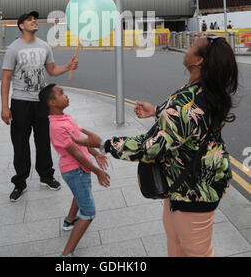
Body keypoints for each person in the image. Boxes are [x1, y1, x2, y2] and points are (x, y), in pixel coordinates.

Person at [72, 35, 238, 257]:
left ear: (198, 61)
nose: (186, 47)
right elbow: (188, 123)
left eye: (191, 45)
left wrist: (103, 144)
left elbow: (151, 147)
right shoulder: (202, 89)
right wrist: (159, 111)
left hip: (195, 190)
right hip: (179, 183)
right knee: (175, 240)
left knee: (198, 251)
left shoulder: (190, 100)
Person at [1, 11, 78, 202]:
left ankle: (46, 176)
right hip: (20, 102)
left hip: (41, 103)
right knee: (20, 144)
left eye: (35, 19)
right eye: (29, 19)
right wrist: (5, 106)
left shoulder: (44, 46)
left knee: (43, 141)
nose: (34, 21)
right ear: (21, 26)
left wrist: (67, 66)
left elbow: (51, 71)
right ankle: (20, 182)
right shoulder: (13, 49)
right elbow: (6, 78)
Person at [39, 84, 110, 257]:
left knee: (80, 194)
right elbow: (77, 154)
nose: (66, 95)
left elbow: (81, 142)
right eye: (61, 93)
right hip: (75, 170)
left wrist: (96, 154)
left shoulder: (65, 118)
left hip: (79, 170)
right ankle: (66, 254)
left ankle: (69, 221)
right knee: (88, 213)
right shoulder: (56, 127)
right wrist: (97, 171)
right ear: (52, 102)